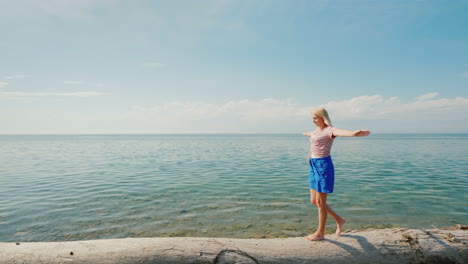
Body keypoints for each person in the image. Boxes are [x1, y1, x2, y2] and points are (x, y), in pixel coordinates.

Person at [302, 107, 370, 241]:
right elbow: (313, 135)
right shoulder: (317, 130)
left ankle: (320, 233)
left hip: (323, 167)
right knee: (314, 201)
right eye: (312, 118)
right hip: (313, 166)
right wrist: (305, 134)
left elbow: (341, 132)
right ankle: (339, 219)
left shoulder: (330, 130)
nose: (313, 121)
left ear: (323, 117)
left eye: (315, 118)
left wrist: (354, 134)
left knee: (321, 203)